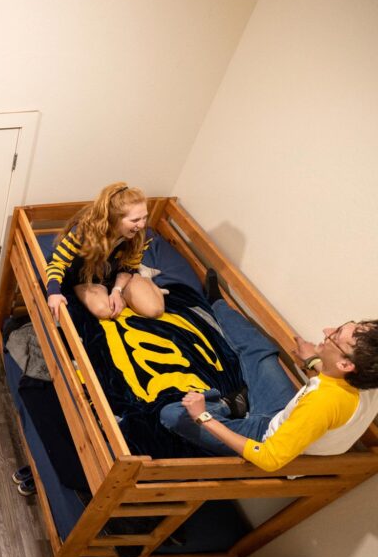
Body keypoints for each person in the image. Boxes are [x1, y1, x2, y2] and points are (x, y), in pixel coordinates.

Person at [160, 276, 378, 472]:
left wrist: (203, 417)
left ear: (345, 365)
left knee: (173, 414)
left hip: (264, 441)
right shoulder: (368, 379)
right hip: (283, 415)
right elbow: (339, 390)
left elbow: (269, 458)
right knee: (260, 352)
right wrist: (313, 361)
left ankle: (227, 405)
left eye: (336, 335)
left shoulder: (322, 403)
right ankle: (217, 304)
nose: (327, 331)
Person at [46, 182, 164, 322]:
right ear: (115, 219)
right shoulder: (82, 233)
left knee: (155, 310)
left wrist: (117, 290)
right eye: (135, 220)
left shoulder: (143, 235)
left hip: (118, 274)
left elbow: (129, 267)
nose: (142, 224)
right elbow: (57, 263)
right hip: (87, 277)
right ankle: (134, 288)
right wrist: (53, 292)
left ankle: (144, 277)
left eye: (144, 217)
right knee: (104, 311)